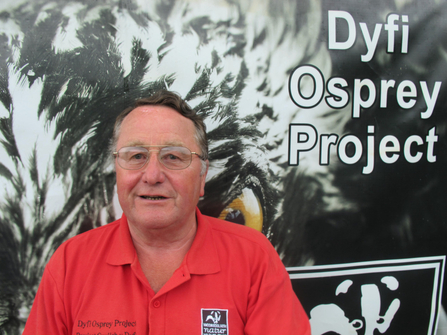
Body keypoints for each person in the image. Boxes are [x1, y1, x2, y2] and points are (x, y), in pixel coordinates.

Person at [23, 90, 311, 334]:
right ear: (116, 172)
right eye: (135, 156)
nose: (152, 175)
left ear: (202, 176)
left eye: (173, 157)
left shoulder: (254, 259)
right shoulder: (70, 263)